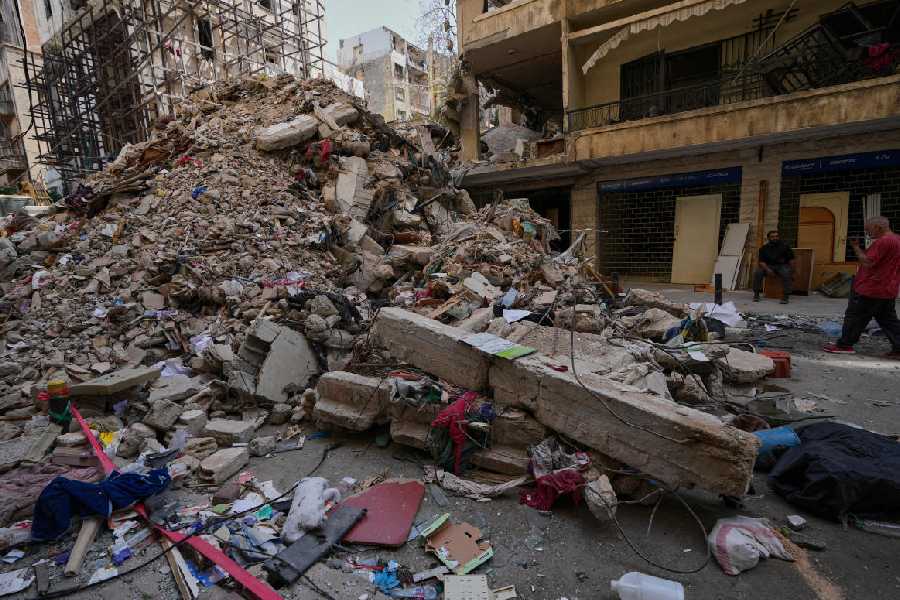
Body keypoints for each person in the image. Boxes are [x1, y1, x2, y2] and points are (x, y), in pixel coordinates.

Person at [824, 216, 900, 359]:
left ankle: (844, 345)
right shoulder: (897, 239)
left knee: (855, 317)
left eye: (868, 230)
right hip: (888, 288)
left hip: (871, 288)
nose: (867, 233)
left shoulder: (883, 241)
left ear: (878, 227)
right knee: (889, 321)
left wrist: (855, 247)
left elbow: (868, 262)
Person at [753, 230, 795, 304]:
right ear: (768, 238)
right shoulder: (764, 248)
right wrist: (768, 270)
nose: (775, 238)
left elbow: (791, 259)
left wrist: (792, 270)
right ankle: (756, 294)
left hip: (781, 265)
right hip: (768, 266)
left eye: (776, 236)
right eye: (772, 237)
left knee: (786, 273)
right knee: (758, 272)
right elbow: (761, 262)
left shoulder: (785, 246)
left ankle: (785, 296)